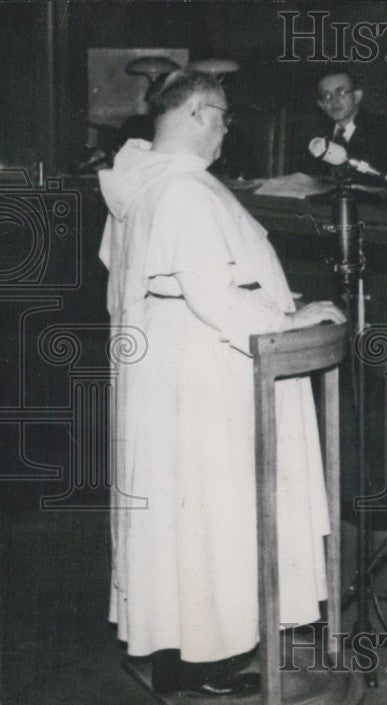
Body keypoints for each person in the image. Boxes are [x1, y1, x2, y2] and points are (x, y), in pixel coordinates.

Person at [98, 69, 345, 697]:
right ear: (199, 113)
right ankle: (208, 663)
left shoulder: (141, 180)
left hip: (169, 368)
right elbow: (213, 296)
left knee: (184, 520)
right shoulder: (183, 190)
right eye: (225, 117)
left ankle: (183, 655)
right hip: (202, 373)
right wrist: (289, 319)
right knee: (213, 514)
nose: (227, 131)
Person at [296, 70, 387, 184]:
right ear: (321, 104)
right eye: (326, 96)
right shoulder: (315, 140)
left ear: (357, 96)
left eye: (341, 92)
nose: (333, 101)